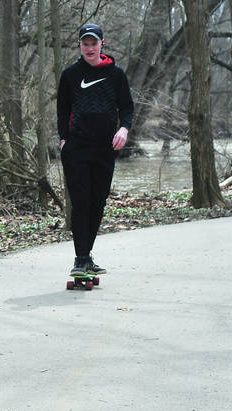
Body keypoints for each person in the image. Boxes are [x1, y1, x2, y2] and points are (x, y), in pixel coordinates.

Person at [57, 23, 134, 276]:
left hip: (105, 147)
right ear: (80, 45)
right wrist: (63, 139)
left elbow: (127, 108)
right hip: (77, 146)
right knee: (80, 201)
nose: (89, 48)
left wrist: (123, 129)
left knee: (97, 202)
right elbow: (62, 110)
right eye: (85, 43)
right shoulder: (70, 74)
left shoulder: (116, 74)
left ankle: (86, 255)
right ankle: (80, 259)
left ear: (102, 43)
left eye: (93, 43)